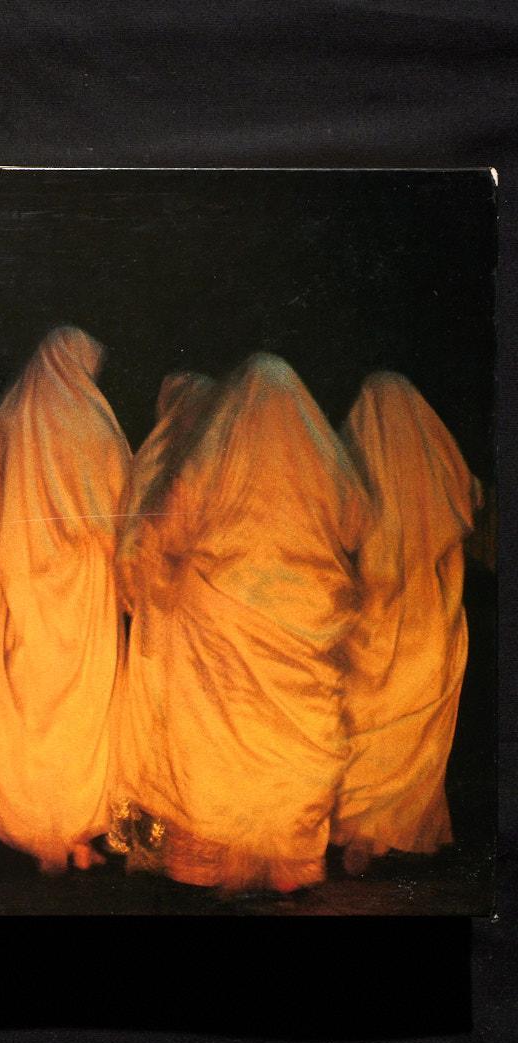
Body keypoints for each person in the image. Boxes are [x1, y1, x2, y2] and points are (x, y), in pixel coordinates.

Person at [124, 353, 368, 893]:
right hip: (305, 614)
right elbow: (356, 521)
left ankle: (209, 860)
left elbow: (169, 523)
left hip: (221, 618)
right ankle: (287, 864)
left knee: (219, 737)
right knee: (291, 742)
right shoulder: (324, 461)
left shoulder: (214, 454)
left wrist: (157, 583)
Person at [0, 326, 131, 874]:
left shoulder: (10, 416)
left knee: (33, 703)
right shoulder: (93, 420)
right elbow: (122, 499)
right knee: (83, 706)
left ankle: (46, 829)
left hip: (23, 583)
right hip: (83, 585)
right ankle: (75, 827)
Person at [333, 372, 483, 875]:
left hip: (371, 623)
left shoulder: (352, 465)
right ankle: (388, 833)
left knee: (367, 725)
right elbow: (468, 503)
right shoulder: (441, 469)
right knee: (412, 735)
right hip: (430, 624)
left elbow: (342, 531)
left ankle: (358, 832)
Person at [107, 372, 216, 860]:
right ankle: (165, 831)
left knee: (171, 722)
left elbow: (134, 543)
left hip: (179, 621)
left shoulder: (175, 462)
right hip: (178, 620)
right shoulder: (184, 463)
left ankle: (176, 831)